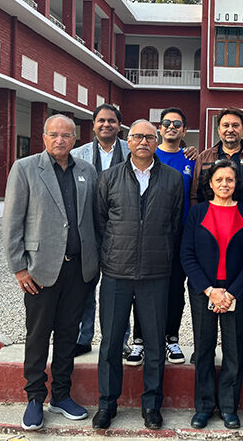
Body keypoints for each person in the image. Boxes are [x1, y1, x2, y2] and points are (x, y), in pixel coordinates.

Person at [3, 114, 99, 430]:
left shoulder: (87, 171)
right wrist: (19, 267)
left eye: (66, 135)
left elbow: (94, 219)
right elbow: (12, 221)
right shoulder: (25, 168)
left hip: (78, 270)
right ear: (44, 137)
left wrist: (95, 262)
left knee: (69, 335)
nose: (60, 140)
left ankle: (61, 395)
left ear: (75, 140)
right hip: (40, 270)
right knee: (38, 334)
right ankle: (34, 397)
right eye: (54, 134)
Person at [92, 119, 184, 430]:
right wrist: (111, 255)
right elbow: (100, 222)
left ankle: (152, 405)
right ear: (127, 141)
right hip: (116, 272)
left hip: (156, 273)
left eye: (149, 137)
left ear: (156, 142)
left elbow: (174, 224)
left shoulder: (172, 179)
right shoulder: (109, 177)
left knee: (155, 344)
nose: (143, 141)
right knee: (111, 342)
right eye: (137, 136)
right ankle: (107, 404)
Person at [181, 160, 243, 430]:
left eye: (230, 180)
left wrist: (232, 292)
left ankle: (228, 407)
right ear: (210, 184)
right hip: (204, 290)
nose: (224, 184)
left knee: (233, 350)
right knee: (203, 348)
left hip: (235, 291)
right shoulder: (197, 212)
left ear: (237, 184)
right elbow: (186, 254)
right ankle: (203, 407)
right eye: (219, 179)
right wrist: (210, 290)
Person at [190, 107, 243, 366]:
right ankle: (204, 349)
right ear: (218, 129)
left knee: (238, 293)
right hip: (210, 226)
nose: (230, 129)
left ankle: (239, 347)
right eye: (225, 125)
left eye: (235, 125)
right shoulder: (205, 157)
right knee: (208, 300)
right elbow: (195, 195)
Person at [124, 107, 195, 367]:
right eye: (166, 123)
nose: (171, 127)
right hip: (149, 235)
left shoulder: (192, 160)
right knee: (142, 288)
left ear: (184, 130)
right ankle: (140, 340)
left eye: (177, 123)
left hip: (181, 235)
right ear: (159, 129)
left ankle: (171, 338)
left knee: (175, 289)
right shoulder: (150, 156)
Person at [70, 104, 129, 358]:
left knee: (119, 291)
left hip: (121, 231)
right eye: (101, 121)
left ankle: (120, 340)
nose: (106, 125)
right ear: (93, 125)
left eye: (111, 121)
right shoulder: (77, 154)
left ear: (119, 125)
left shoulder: (131, 150)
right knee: (85, 287)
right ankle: (83, 338)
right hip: (88, 231)